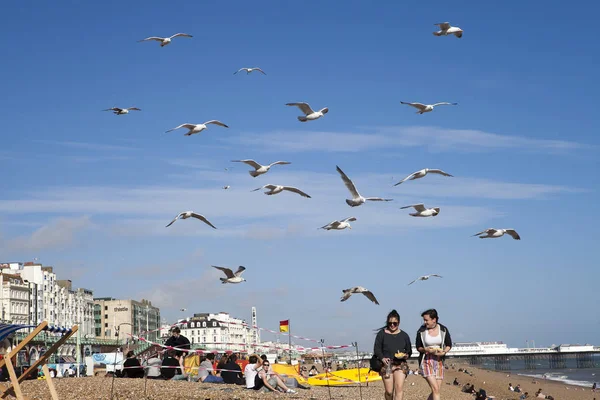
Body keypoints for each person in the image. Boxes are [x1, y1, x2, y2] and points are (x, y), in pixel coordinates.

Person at [373, 309, 412, 400]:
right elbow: (377, 349)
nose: (392, 325)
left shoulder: (404, 335)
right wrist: (382, 358)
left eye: (395, 323)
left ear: (399, 322)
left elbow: (409, 350)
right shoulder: (381, 334)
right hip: (387, 365)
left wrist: (406, 355)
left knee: (399, 389)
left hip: (401, 364)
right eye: (390, 323)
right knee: (389, 391)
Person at [415, 309, 452, 400]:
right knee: (435, 389)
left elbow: (449, 344)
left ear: (434, 319)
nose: (425, 322)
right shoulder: (421, 330)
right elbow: (418, 347)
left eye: (426, 320)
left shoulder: (443, 329)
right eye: (424, 320)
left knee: (436, 390)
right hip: (426, 360)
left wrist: (444, 352)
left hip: (439, 360)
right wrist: (425, 349)